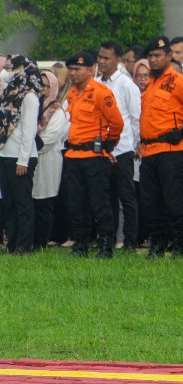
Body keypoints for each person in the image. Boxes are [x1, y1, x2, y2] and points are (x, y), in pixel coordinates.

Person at [139, 36, 183, 258]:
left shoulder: (179, 82)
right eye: (150, 56)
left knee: (174, 201)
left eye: (158, 55)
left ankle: (180, 245)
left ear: (169, 56)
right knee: (151, 202)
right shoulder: (150, 82)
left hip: (171, 151)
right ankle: (157, 243)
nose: (153, 60)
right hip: (149, 152)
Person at [61, 51, 124, 257]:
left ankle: (105, 245)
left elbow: (116, 123)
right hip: (73, 155)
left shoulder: (100, 92)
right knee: (76, 203)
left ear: (90, 70)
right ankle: (81, 244)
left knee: (99, 203)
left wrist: (108, 143)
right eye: (70, 69)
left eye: (77, 69)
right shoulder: (72, 93)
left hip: (94, 157)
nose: (73, 73)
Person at [98, 41, 141, 250]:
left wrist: (132, 147)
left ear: (118, 60)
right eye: (100, 57)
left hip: (122, 150)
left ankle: (131, 241)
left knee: (126, 197)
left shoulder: (126, 84)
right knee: (106, 197)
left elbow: (135, 118)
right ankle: (110, 239)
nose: (102, 61)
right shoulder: (96, 83)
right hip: (102, 150)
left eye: (106, 58)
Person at [0, 55, 43, 253]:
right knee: (9, 202)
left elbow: (29, 131)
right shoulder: (10, 93)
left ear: (24, 70)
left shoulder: (30, 97)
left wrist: (23, 160)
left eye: (12, 68)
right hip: (5, 155)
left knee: (22, 203)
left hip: (21, 157)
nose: (8, 72)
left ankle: (24, 245)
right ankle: (13, 242)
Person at [33, 69, 68, 248]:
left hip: (47, 161)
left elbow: (50, 138)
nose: (44, 90)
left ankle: (41, 241)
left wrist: (28, 147)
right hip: (30, 161)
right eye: (41, 86)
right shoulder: (32, 107)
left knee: (44, 203)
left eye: (47, 87)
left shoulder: (57, 111)